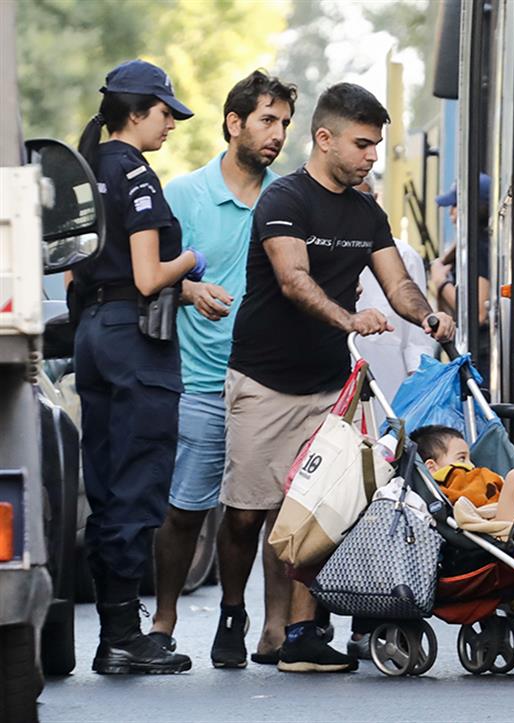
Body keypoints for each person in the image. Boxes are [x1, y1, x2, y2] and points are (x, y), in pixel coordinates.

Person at [222, 82, 455, 673]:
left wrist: (426, 314)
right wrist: (349, 317)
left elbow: (398, 282)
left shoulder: (366, 212)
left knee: (319, 510)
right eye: (361, 144)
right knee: (248, 513)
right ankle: (232, 611)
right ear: (324, 139)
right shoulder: (285, 200)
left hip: (330, 389)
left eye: (376, 145)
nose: (372, 155)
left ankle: (301, 634)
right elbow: (293, 279)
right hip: (265, 381)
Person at [147, 70, 297, 668]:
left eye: (284, 122)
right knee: (185, 509)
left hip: (269, 383)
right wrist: (188, 290)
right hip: (201, 382)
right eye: (267, 119)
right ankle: (162, 622)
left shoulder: (289, 197)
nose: (277, 134)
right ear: (234, 123)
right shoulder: (183, 194)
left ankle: (265, 626)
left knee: (264, 513)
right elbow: (144, 278)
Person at [70, 59, 202, 674]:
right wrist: (192, 261)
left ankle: (114, 634)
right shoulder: (135, 173)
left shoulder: (85, 168)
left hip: (93, 335)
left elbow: (71, 270)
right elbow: (150, 276)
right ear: (136, 113)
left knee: (104, 484)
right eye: (165, 113)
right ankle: (123, 638)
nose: (171, 125)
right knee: (137, 484)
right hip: (134, 341)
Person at [353, 175, 436, 409]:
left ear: (374, 199)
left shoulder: (403, 255)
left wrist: (416, 391)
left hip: (388, 384)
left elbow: (418, 340)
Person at [429, 173, 492, 374]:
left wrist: (440, 282)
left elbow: (477, 312)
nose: (451, 213)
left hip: (480, 355)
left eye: (455, 206)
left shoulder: (479, 249)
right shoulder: (470, 246)